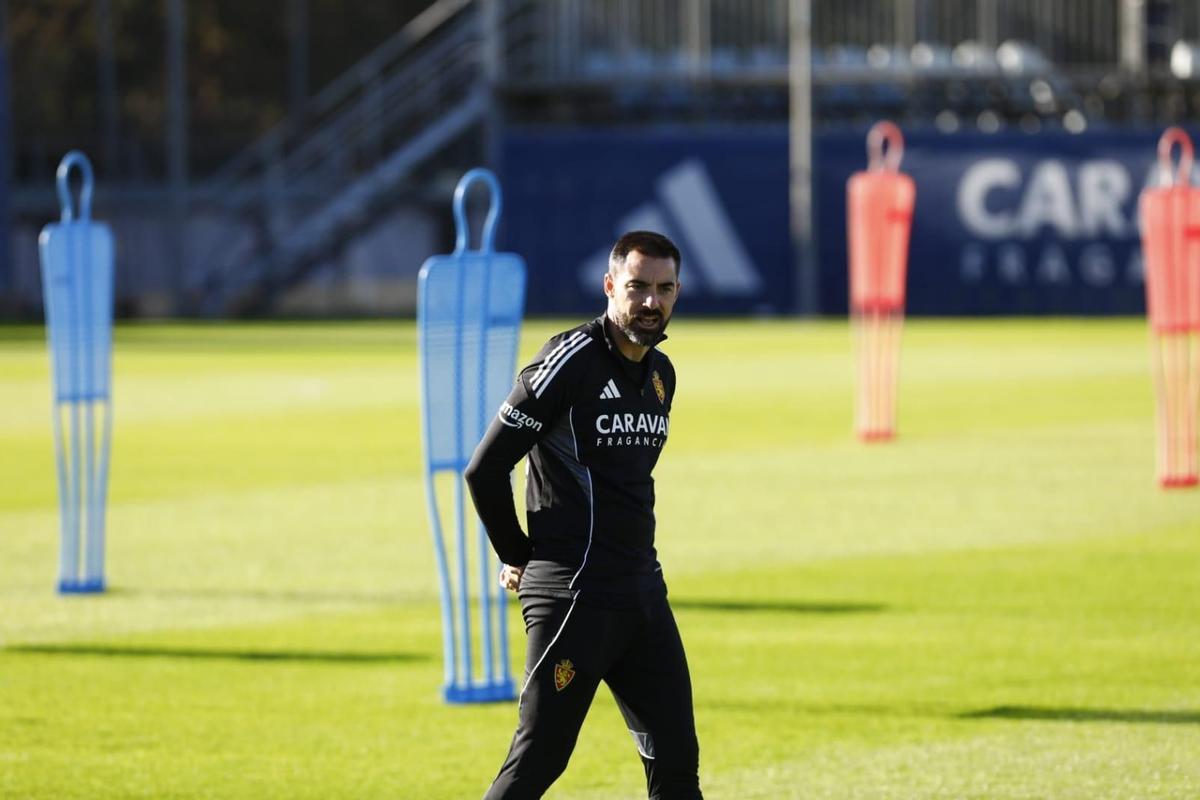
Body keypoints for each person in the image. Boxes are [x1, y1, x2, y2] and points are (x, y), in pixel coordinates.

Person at [465, 230, 703, 799]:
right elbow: (485, 469)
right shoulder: (567, 361)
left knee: (677, 764)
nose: (651, 302)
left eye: (664, 289)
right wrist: (517, 555)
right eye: (638, 287)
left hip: (643, 595)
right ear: (609, 286)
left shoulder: (661, 376)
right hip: (573, 596)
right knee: (536, 764)